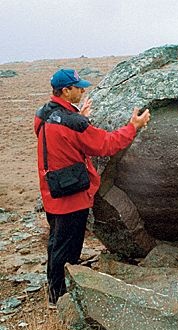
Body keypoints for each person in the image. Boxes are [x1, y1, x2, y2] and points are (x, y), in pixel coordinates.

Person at [34, 68, 150, 307]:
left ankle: (55, 288)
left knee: (56, 241)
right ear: (66, 91)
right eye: (78, 88)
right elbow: (107, 144)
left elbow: (57, 133)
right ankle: (60, 298)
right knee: (67, 247)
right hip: (71, 195)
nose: (83, 90)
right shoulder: (73, 123)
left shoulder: (44, 114)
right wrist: (133, 127)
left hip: (51, 189)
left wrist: (78, 117)